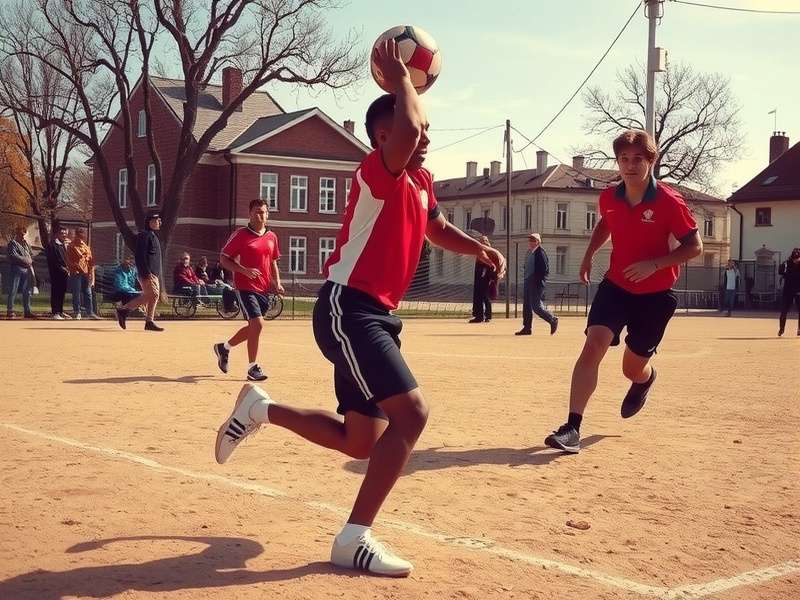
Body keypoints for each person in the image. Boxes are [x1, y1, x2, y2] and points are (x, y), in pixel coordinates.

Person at [213, 39, 506, 578]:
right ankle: (353, 538)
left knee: (361, 440)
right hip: (351, 309)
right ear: (382, 135)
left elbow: (437, 230)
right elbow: (411, 129)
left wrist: (480, 248)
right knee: (412, 415)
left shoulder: (418, 182)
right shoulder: (376, 171)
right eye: (411, 123)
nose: (424, 134)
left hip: (373, 315)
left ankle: (259, 409)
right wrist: (401, 80)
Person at [544, 129, 702, 454]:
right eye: (624, 159)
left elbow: (694, 246)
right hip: (615, 287)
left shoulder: (669, 202)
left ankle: (644, 379)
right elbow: (606, 223)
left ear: (650, 161)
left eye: (637, 159)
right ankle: (572, 427)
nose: (630, 166)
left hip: (656, 296)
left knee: (631, 368)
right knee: (593, 345)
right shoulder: (609, 198)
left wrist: (654, 264)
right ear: (618, 161)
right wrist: (588, 256)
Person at [212, 199, 283, 381]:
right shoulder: (240, 235)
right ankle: (252, 367)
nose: (261, 215)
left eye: (264, 212)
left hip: (264, 289)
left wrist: (277, 282)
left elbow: (273, 261)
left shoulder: (272, 237)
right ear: (250, 214)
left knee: (254, 326)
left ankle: (224, 348)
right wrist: (244, 270)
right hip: (245, 287)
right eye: (257, 211)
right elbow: (224, 259)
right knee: (257, 324)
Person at [116, 210, 166, 331]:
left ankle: (149, 321)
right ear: (150, 222)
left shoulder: (153, 236)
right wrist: (146, 272)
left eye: (159, 220)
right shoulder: (144, 235)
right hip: (148, 272)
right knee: (152, 294)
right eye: (156, 220)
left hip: (154, 273)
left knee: (154, 296)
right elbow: (140, 255)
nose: (159, 222)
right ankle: (124, 310)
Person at [515, 233, 558, 336]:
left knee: (536, 306)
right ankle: (527, 328)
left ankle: (552, 319)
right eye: (529, 240)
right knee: (527, 306)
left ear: (538, 242)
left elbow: (544, 270)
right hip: (528, 281)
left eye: (533, 240)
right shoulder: (530, 252)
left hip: (536, 283)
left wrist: (537, 281)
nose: (530, 242)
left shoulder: (540, 253)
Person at [66, 228, 100, 320]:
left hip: (86, 273)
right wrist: (76, 266)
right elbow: (68, 261)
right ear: (76, 235)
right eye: (79, 236)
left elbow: (91, 262)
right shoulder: (71, 246)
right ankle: (77, 312)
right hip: (76, 273)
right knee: (76, 293)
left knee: (88, 293)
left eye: (82, 236)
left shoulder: (86, 247)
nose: (81, 238)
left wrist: (91, 274)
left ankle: (90, 313)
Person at [6, 224, 36, 319]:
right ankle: (10, 310)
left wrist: (30, 260)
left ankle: (27, 310)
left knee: (27, 291)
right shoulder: (13, 243)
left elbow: (31, 254)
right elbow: (13, 255)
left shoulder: (26, 244)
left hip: (26, 270)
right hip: (16, 269)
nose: (22, 235)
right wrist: (25, 260)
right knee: (13, 290)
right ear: (17, 233)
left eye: (23, 233)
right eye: (20, 234)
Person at [45, 224, 71, 319]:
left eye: (65, 233)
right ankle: (55, 312)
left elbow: (68, 258)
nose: (64, 235)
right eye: (62, 233)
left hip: (64, 273)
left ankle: (60, 311)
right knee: (56, 292)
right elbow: (53, 260)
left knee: (62, 292)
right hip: (56, 273)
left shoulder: (64, 245)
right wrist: (62, 268)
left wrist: (67, 269)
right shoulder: (52, 245)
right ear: (57, 234)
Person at [469, 235, 496, 323]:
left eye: (484, 240)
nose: (482, 242)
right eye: (481, 240)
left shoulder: (490, 252)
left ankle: (486, 316)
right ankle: (479, 315)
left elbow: (492, 266)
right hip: (479, 276)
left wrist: (490, 277)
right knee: (478, 296)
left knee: (485, 296)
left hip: (486, 277)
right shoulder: (479, 251)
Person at [777, 247, 800, 336]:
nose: (796, 261)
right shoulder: (787, 263)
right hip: (788, 290)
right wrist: (784, 266)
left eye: (797, 259)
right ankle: (781, 329)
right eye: (795, 259)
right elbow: (780, 271)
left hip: (799, 289)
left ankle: (799, 330)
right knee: (784, 310)